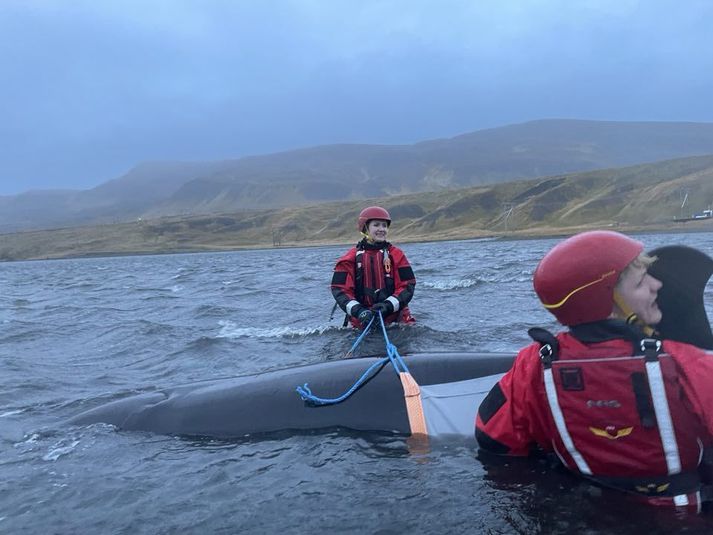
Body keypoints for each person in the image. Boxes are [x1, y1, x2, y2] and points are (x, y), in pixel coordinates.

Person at [475, 230, 713, 509]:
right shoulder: (688, 363)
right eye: (640, 283)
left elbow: (493, 439)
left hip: (586, 510)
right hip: (683, 517)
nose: (656, 284)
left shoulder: (534, 364)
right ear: (609, 305)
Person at [331, 206, 416, 329]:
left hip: (395, 321)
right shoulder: (349, 258)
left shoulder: (397, 255)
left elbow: (408, 286)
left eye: (384, 225)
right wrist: (359, 312)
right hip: (362, 321)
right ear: (365, 228)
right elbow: (340, 290)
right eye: (376, 225)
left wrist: (387, 306)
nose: (382, 229)